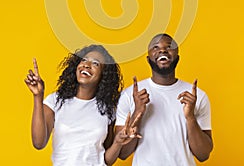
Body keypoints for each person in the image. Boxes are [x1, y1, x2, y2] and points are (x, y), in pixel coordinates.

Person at [25, 44, 141, 166]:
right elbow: (38, 143)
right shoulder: (56, 101)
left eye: (95, 63)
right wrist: (38, 96)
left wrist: (117, 143)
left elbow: (105, 161)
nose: (86, 65)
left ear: (104, 75)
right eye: (84, 60)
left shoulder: (107, 109)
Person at [115, 33, 213, 166]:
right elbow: (123, 153)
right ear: (148, 58)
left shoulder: (197, 97)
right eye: (155, 47)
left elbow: (203, 155)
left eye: (169, 46)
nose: (162, 50)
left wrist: (190, 117)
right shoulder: (130, 95)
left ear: (177, 57)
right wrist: (138, 112)